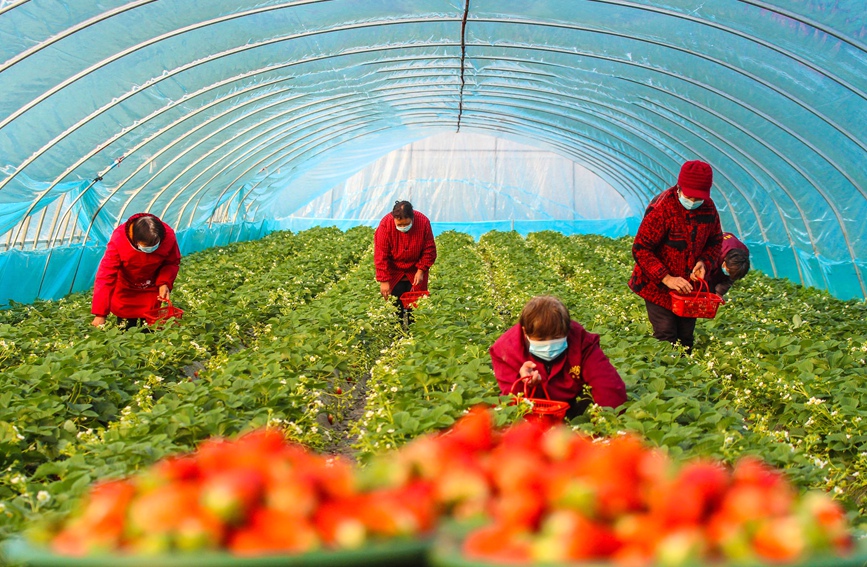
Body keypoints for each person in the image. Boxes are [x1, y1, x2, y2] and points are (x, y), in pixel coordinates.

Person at [628, 160, 723, 352]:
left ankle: (684, 375)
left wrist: (704, 262)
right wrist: (666, 278)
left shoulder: (709, 208)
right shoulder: (662, 208)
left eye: (699, 199)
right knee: (666, 334)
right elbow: (641, 248)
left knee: (686, 336)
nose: (694, 202)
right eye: (690, 197)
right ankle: (665, 373)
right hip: (656, 286)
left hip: (688, 287)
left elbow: (715, 241)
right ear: (679, 186)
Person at [490, 296, 627, 419]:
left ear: (568, 330)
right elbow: (512, 401)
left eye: (556, 337)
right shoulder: (506, 350)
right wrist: (524, 383)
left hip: (572, 407)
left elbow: (609, 387)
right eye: (541, 338)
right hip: (532, 411)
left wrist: (608, 430)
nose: (549, 344)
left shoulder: (582, 342)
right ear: (525, 331)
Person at [91, 213, 181, 328]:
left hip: (150, 287)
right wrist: (100, 314)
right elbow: (106, 275)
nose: (149, 251)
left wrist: (164, 282)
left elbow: (171, 262)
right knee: (125, 328)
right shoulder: (120, 239)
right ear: (135, 240)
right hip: (126, 288)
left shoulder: (168, 236)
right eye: (145, 247)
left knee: (150, 326)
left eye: (154, 246)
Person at [374, 201, 437, 319]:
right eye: (399, 224)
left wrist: (421, 270)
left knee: (416, 306)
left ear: (412, 217)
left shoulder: (423, 222)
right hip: (394, 271)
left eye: (406, 224)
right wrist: (383, 280)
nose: (403, 227)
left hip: (415, 270)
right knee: (395, 307)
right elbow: (380, 254)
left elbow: (429, 250)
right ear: (394, 218)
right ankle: (397, 333)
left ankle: (414, 331)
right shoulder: (385, 225)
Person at [705, 232, 750, 297]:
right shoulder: (714, 252)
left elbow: (731, 279)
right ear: (725, 261)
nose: (727, 273)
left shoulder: (743, 255)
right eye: (727, 271)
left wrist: (719, 292)